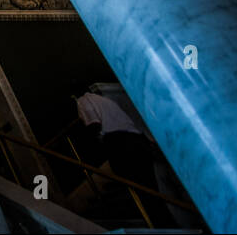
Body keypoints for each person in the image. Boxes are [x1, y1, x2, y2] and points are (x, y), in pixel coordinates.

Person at [72, 82, 170, 224]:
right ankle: (164, 221)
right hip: (137, 140)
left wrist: (97, 143)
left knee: (138, 189)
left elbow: (93, 123)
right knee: (152, 188)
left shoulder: (83, 101)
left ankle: (156, 223)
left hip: (120, 144)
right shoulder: (106, 100)